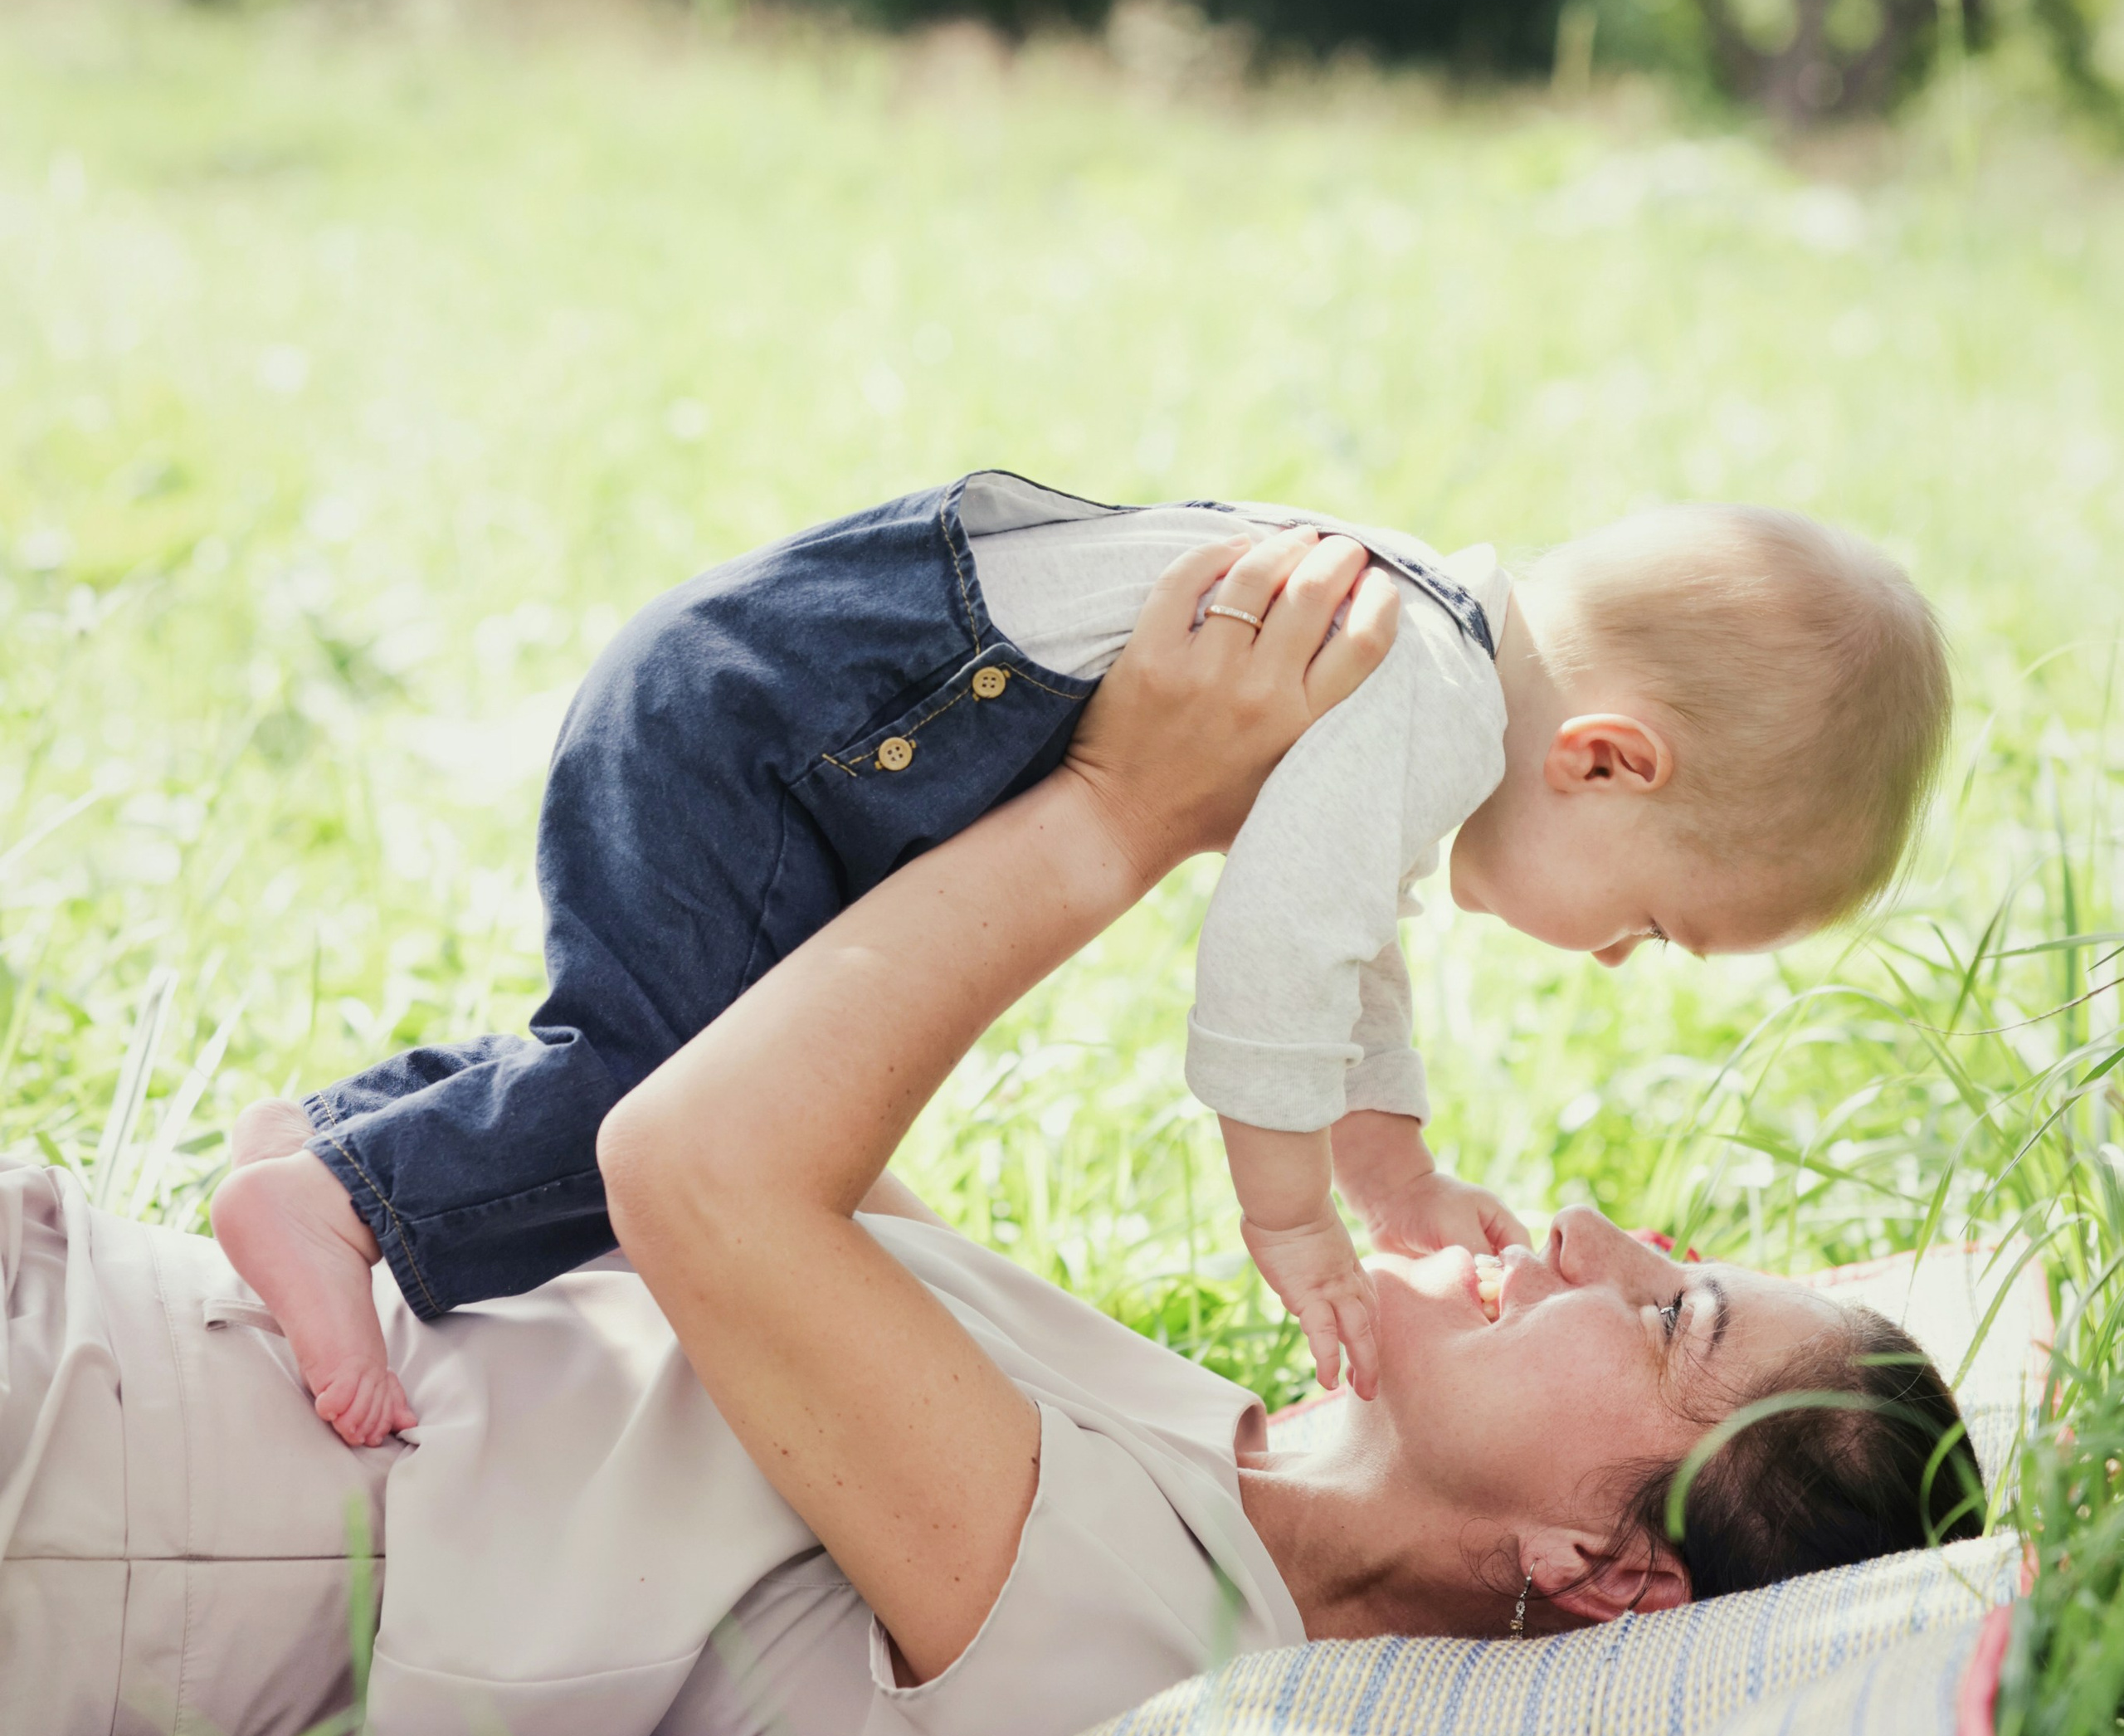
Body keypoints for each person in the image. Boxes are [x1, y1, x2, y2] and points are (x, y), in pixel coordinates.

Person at [0, 538, 1980, 1736]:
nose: (1585, 1232)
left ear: (1603, 1571)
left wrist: (1129, 804)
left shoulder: (1144, 1648)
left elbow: (698, 1168)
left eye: (1669, 1311)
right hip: (85, 1305)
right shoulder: (1187, 1442)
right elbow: (776, 1091)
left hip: (68, 1482)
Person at [211, 475, 1953, 1444]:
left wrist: (1393, 1172)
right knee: (664, 1083)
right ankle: (349, 1197)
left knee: (682, 1033)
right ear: (1605, 759)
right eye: (1647, 927)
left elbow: (1345, 938)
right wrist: (1292, 1214)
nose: (1613, 965)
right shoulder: (1410, 682)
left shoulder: (1422, 670)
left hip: (793, 689)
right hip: (788, 719)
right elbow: (1279, 956)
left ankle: (346, 1131)